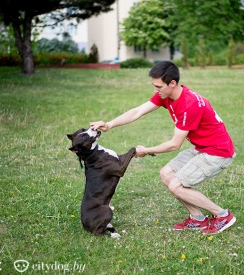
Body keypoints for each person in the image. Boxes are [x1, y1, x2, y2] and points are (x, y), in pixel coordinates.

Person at [90, 61, 236, 235]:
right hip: (202, 147)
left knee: (176, 186)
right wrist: (109, 124)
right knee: (166, 174)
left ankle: (222, 215)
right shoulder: (167, 95)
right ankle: (198, 219)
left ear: (172, 83)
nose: (155, 91)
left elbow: (175, 144)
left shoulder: (189, 104)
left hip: (217, 152)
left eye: (158, 86)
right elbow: (138, 111)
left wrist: (146, 150)